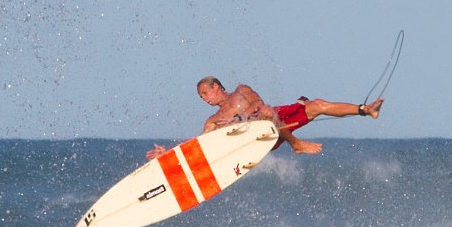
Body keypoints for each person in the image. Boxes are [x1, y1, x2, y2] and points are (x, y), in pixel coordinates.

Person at [145, 76, 383, 159]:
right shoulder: (213, 121)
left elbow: (260, 105)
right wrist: (168, 152)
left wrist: (243, 117)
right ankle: (296, 145)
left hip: (276, 121)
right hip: (258, 140)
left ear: (216, 86)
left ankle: (366, 110)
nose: (204, 99)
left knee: (317, 104)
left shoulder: (241, 91)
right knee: (268, 115)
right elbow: (200, 144)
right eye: (201, 97)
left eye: (205, 93)